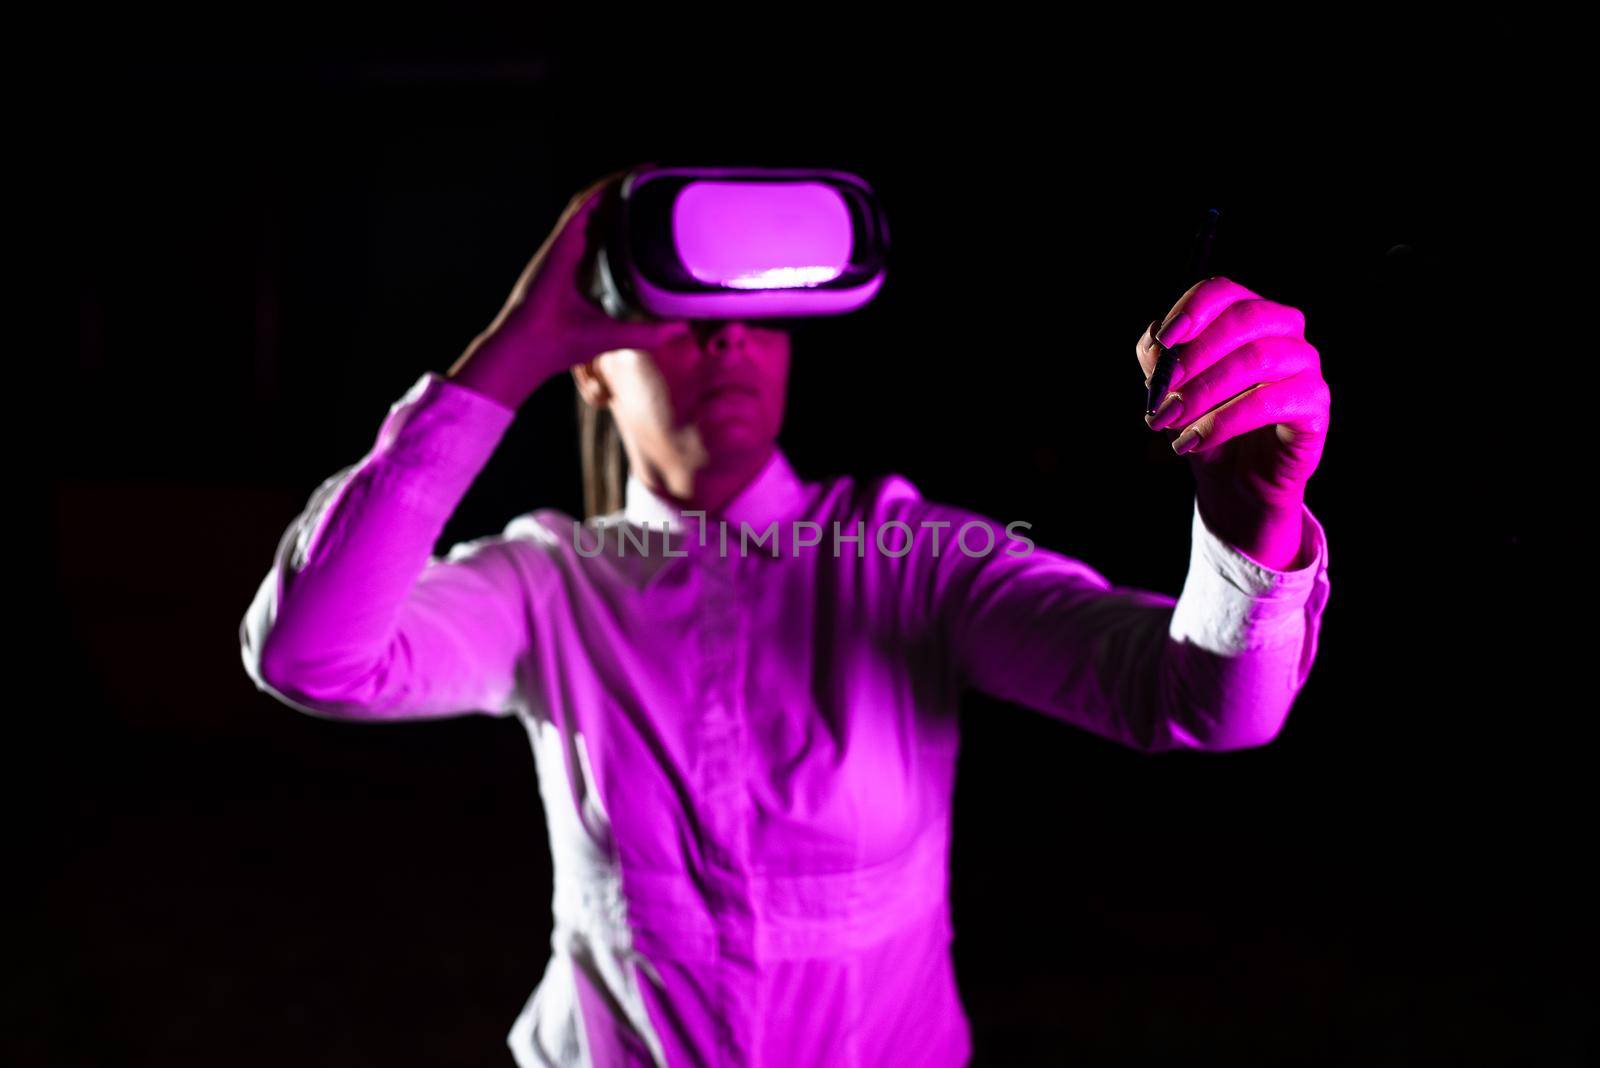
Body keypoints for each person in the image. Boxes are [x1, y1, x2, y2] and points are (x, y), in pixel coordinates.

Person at [239, 173, 1332, 1067]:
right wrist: (519, 343)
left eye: (759, 314)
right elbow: (311, 654)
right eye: (681, 317)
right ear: (593, 372)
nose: (727, 343)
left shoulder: (914, 565)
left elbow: (1201, 706)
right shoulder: (548, 587)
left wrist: (1250, 531)